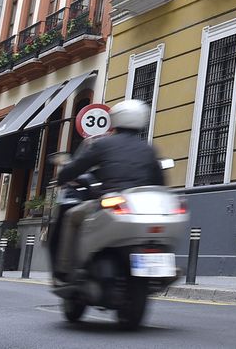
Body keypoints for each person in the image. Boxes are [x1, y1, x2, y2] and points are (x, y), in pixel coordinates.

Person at [51, 99, 165, 278]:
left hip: (112, 203)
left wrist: (63, 176)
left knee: (70, 217)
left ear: (115, 121)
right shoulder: (148, 150)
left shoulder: (104, 144)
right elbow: (160, 181)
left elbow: (77, 166)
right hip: (141, 208)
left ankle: (64, 269)